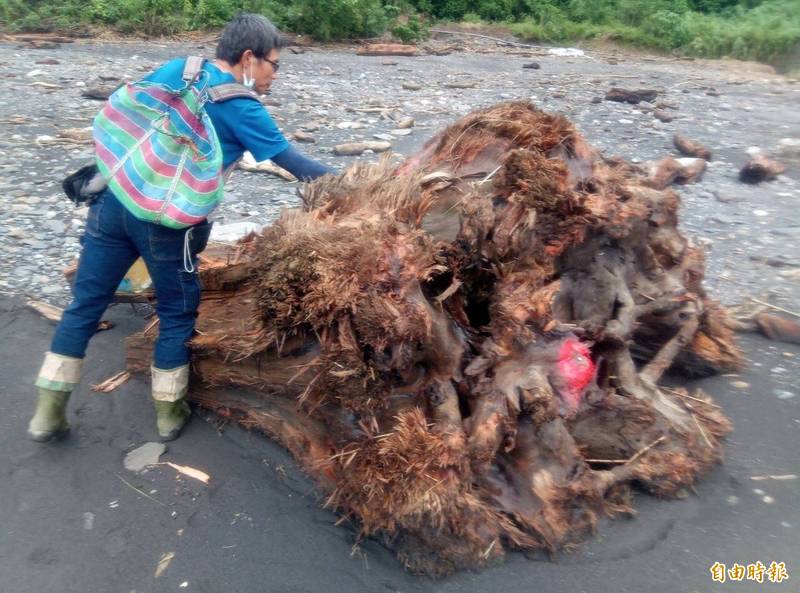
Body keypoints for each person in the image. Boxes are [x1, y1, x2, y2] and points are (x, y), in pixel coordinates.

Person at [28, 13, 333, 443]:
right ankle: (169, 413)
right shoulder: (242, 106)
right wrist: (353, 182)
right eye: (274, 64)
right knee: (176, 312)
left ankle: (48, 411)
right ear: (249, 58)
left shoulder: (181, 69)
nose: (275, 75)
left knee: (84, 305)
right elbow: (293, 162)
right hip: (167, 225)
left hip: (114, 199)